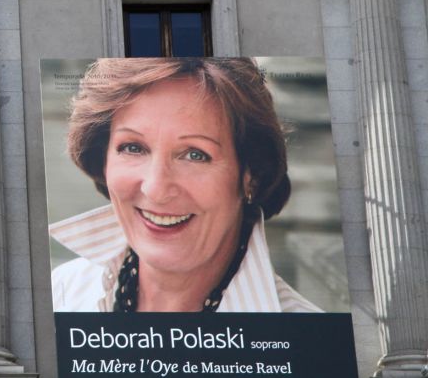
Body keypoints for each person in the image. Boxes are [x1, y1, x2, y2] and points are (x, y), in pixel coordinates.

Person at [50, 57, 320, 313]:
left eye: (195, 154)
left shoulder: (305, 345)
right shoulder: (62, 294)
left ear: (251, 175)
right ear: (103, 158)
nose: (155, 188)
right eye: (133, 147)